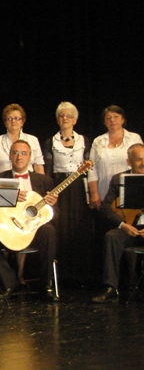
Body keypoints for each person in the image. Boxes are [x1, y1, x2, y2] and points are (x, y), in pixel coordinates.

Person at [0, 139, 60, 301]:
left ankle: (45, 285)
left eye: (24, 153)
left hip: (33, 231)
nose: (19, 157)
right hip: (8, 229)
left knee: (49, 231)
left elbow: (55, 215)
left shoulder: (44, 181)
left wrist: (51, 206)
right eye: (16, 153)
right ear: (10, 156)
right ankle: (9, 282)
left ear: (30, 157)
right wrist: (9, 198)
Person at [42, 102, 92, 286]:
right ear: (57, 120)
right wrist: (48, 191)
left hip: (78, 188)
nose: (65, 118)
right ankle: (61, 275)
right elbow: (48, 170)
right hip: (59, 188)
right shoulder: (50, 142)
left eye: (69, 116)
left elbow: (89, 167)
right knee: (60, 227)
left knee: (79, 227)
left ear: (75, 120)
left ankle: (80, 274)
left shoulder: (84, 141)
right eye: (62, 116)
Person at [92, 144, 144, 303]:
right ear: (129, 162)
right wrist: (123, 225)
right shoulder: (118, 179)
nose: (143, 163)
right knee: (112, 237)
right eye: (139, 160)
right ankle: (110, 288)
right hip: (129, 228)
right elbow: (105, 208)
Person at [88, 105, 143, 210]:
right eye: (108, 118)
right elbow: (92, 169)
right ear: (104, 122)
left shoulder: (134, 138)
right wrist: (94, 193)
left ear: (123, 120)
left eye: (116, 117)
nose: (112, 120)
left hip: (130, 194)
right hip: (104, 194)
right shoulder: (98, 141)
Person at [0, 103, 45, 178]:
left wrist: (42, 183)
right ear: (5, 123)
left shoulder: (33, 140)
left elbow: (39, 167)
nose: (13, 121)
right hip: (2, 181)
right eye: (9, 119)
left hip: (28, 181)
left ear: (22, 121)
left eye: (17, 118)